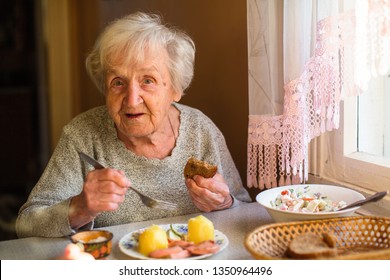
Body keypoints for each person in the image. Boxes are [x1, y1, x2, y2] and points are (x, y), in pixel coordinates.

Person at [16, 12, 251, 238]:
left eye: (147, 81)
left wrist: (225, 203)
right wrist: (79, 208)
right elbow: (26, 224)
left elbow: (244, 210)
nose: (131, 99)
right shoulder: (83, 135)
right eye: (118, 82)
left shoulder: (201, 130)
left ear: (175, 89)